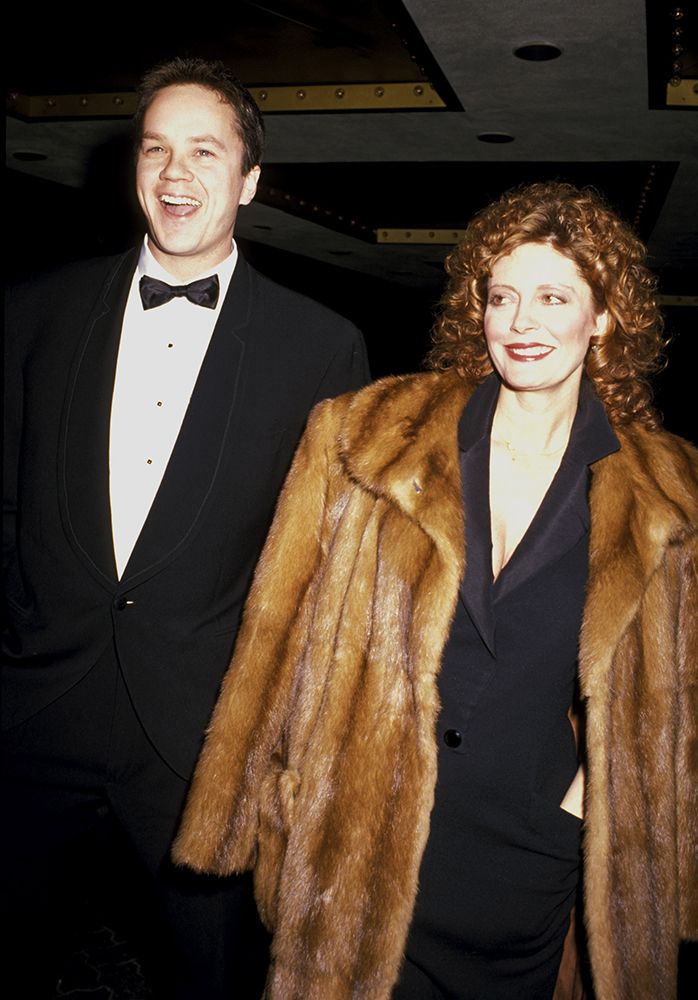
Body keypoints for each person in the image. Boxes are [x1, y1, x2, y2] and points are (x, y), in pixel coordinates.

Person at [173, 181, 698, 1000]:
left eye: (554, 296)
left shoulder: (670, 489)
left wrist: (582, 811)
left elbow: (679, 694)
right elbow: (274, 630)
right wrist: (244, 812)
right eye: (502, 296)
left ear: (602, 318)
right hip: (351, 846)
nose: (521, 323)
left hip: (531, 868)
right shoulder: (361, 435)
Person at [2, 57, 369, 999]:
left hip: (201, 735)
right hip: (32, 710)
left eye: (205, 151)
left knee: (211, 977)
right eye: (157, 148)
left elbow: (328, 564)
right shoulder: (34, 310)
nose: (175, 173)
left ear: (248, 181)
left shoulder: (323, 345)